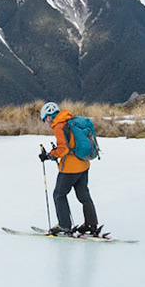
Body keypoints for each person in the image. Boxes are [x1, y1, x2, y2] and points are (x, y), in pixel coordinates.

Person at [38, 101, 102, 236]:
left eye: (45, 120)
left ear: (49, 117)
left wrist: (49, 155)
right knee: (84, 195)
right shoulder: (70, 121)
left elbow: (64, 149)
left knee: (59, 194)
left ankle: (64, 225)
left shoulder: (59, 126)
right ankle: (91, 224)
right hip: (84, 164)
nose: (46, 123)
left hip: (70, 169)